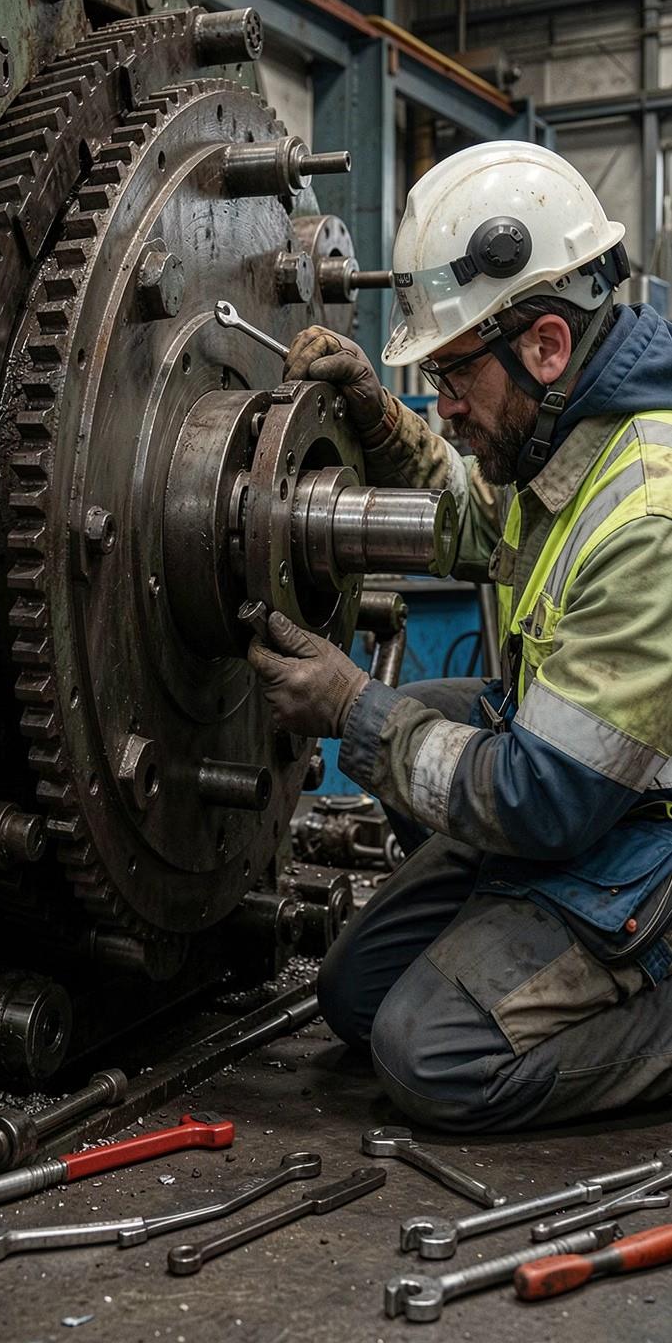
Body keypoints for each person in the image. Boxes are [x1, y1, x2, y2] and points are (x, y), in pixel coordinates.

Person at [247, 139, 672, 1133]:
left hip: (635, 833)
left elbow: (544, 796)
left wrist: (355, 711)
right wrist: (376, 419)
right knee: (351, 998)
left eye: (450, 374)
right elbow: (470, 514)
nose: (446, 402)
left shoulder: (647, 513)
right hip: (584, 799)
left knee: (427, 1054)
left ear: (547, 345)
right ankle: (512, 927)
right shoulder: (562, 437)